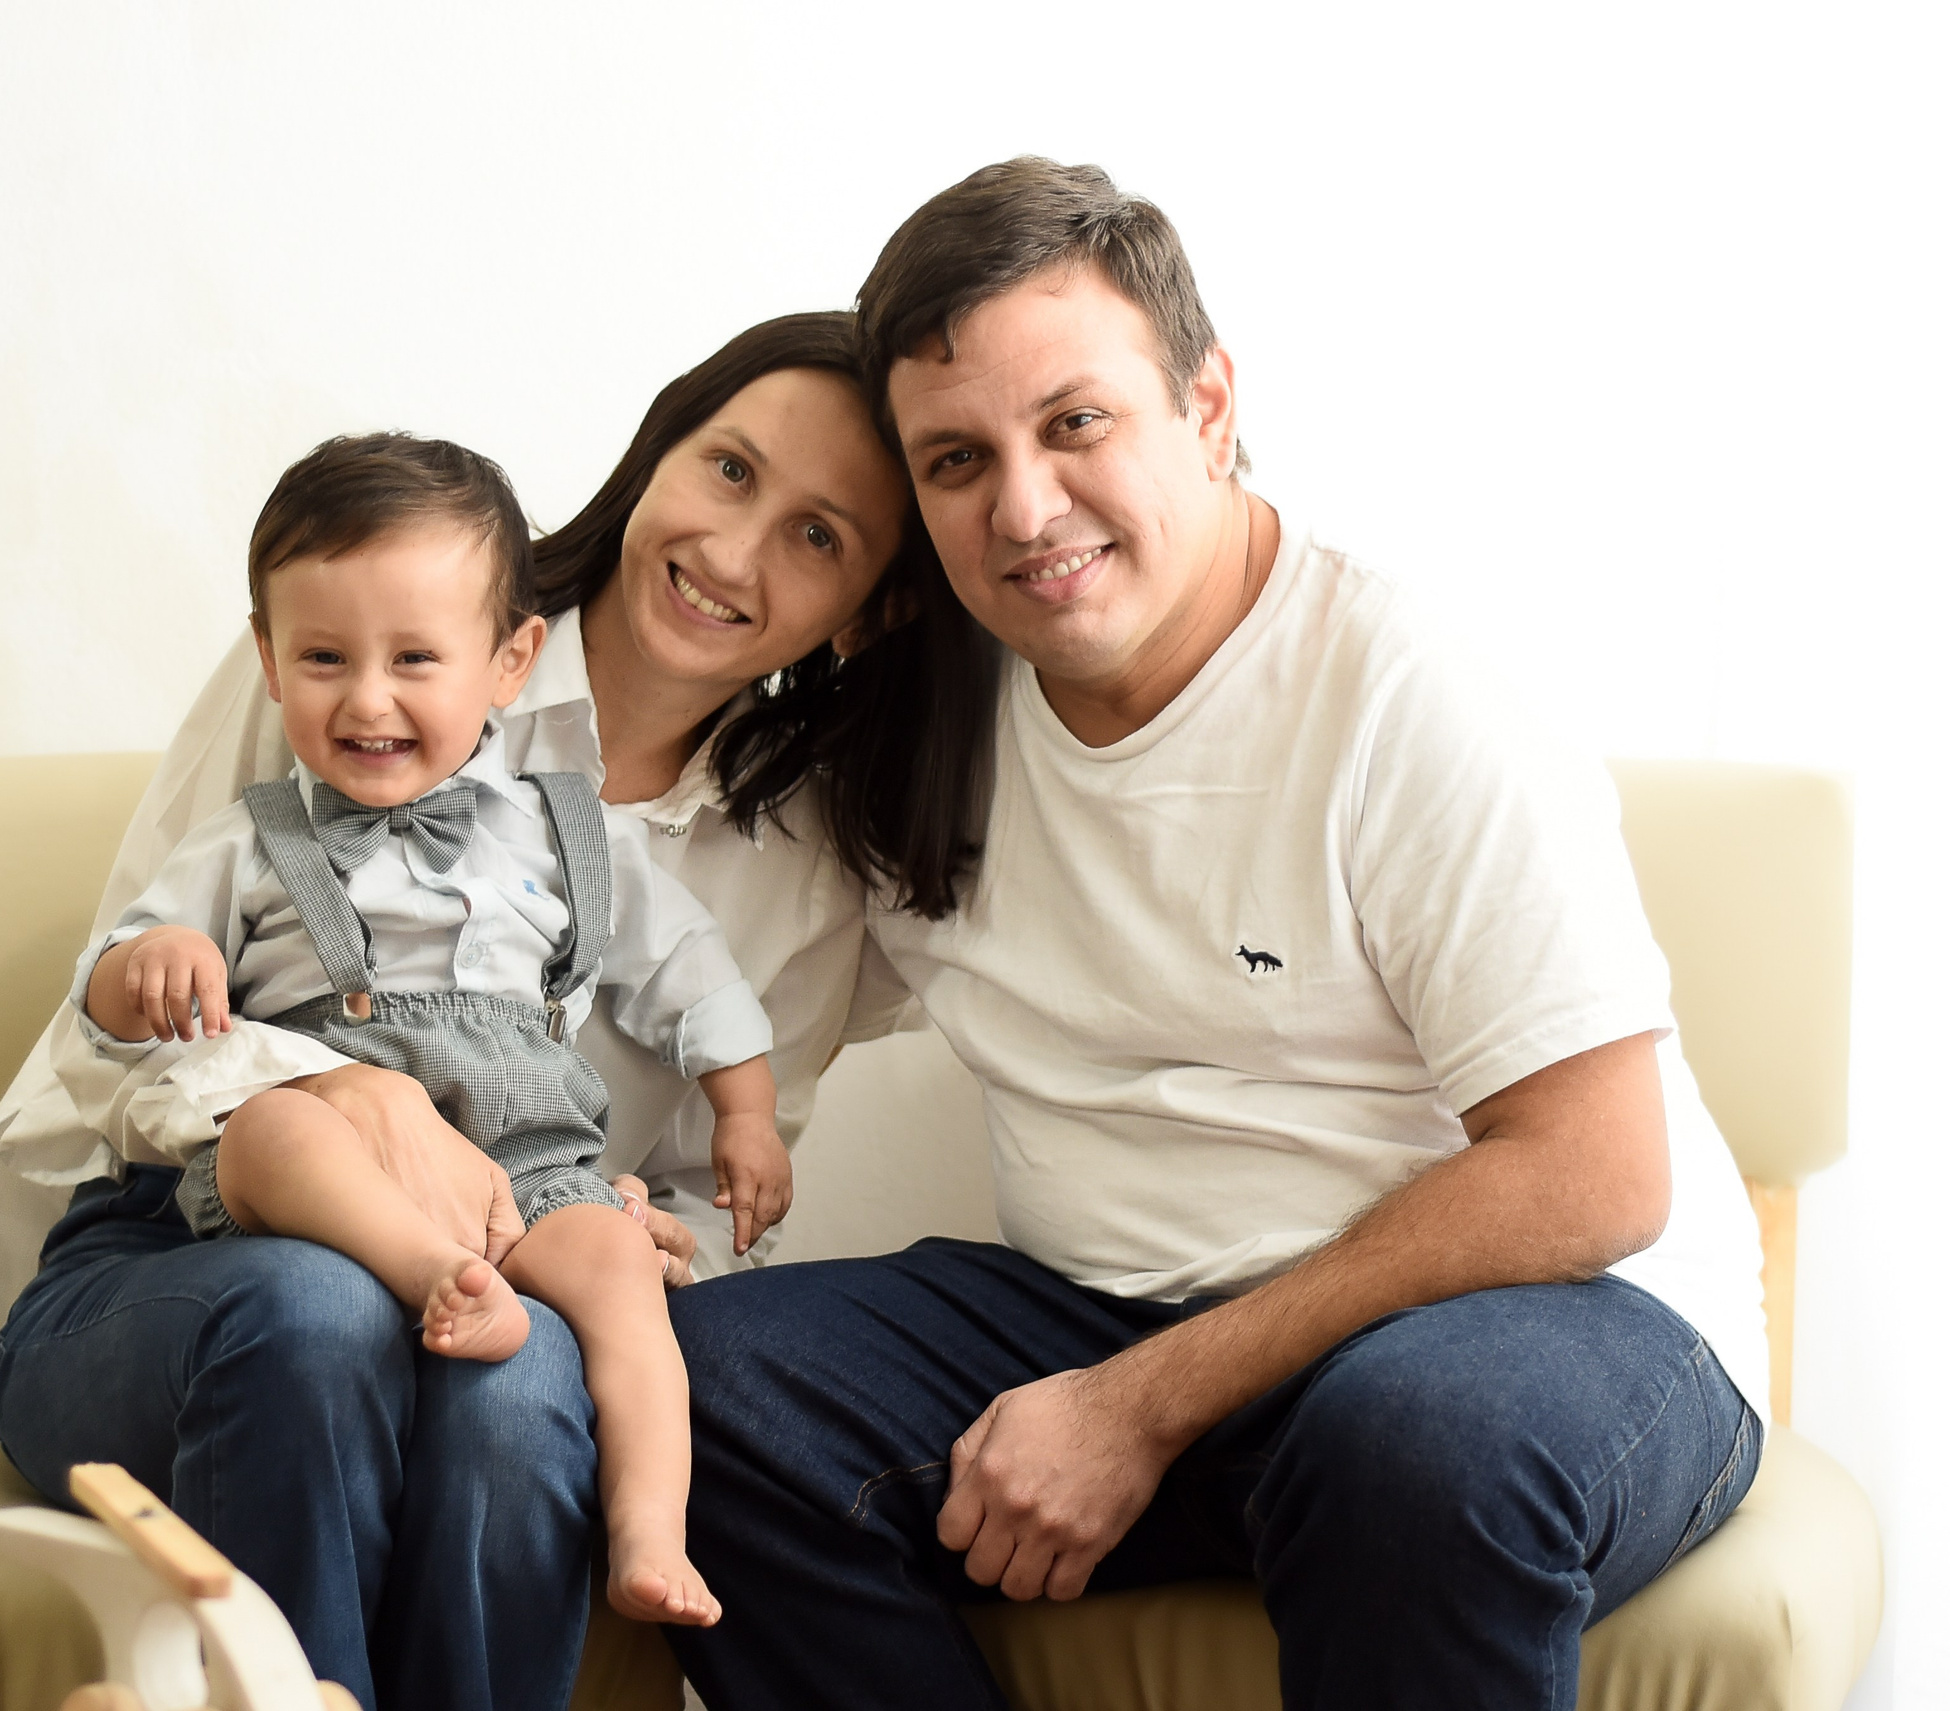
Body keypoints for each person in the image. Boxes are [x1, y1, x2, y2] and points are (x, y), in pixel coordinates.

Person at [666, 160, 1772, 1711]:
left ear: (1207, 403)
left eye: (1076, 422)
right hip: (1113, 1309)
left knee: (1412, 1442)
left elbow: (1597, 1168)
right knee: (700, 1391)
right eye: (957, 459)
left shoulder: (1403, 695)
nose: (1026, 508)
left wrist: (1140, 1403)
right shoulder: (924, 718)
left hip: (1537, 1335)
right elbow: (682, 958)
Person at [0, 312, 993, 1711]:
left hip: (518, 1269)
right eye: (728, 471)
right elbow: (119, 1020)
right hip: (184, 1257)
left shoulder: (813, 858)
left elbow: (722, 1173)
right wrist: (326, 1093)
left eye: (819, 535)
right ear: (658, 449)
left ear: (869, 601)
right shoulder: (361, 638)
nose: (736, 551)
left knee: (519, 1398)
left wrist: (663, 1232)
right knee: (312, 1305)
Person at [73, 431, 798, 1623]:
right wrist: (154, 962)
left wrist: (748, 1113)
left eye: (415, 656)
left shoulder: (571, 830)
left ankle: (650, 1531)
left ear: (511, 660)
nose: (367, 699)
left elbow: (690, 971)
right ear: (267, 658)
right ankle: (440, 1275)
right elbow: (108, 986)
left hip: (531, 1163)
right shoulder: (249, 841)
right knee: (266, 1139)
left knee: (620, 1272)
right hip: (341, 1160)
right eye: (322, 657)